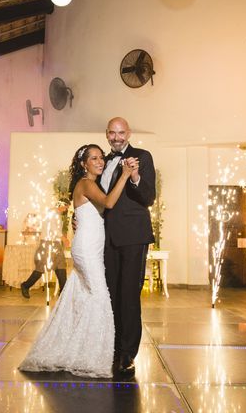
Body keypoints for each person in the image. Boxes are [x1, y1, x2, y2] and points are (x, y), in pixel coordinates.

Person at [19, 144, 136, 378]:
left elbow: (90, 212)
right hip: (86, 249)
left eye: (101, 157)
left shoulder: (90, 184)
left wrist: (75, 218)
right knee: (99, 296)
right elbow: (109, 203)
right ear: (84, 164)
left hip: (90, 247)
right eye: (94, 158)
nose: (100, 161)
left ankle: (78, 347)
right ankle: (91, 354)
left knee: (84, 296)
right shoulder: (86, 183)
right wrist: (124, 174)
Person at [101, 117, 156, 378]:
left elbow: (148, 197)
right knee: (110, 295)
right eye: (112, 133)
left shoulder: (142, 156)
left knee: (129, 297)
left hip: (133, 236)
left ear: (129, 133)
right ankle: (111, 347)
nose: (117, 137)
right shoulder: (101, 160)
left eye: (121, 132)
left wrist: (134, 176)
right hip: (106, 238)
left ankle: (127, 355)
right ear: (107, 134)